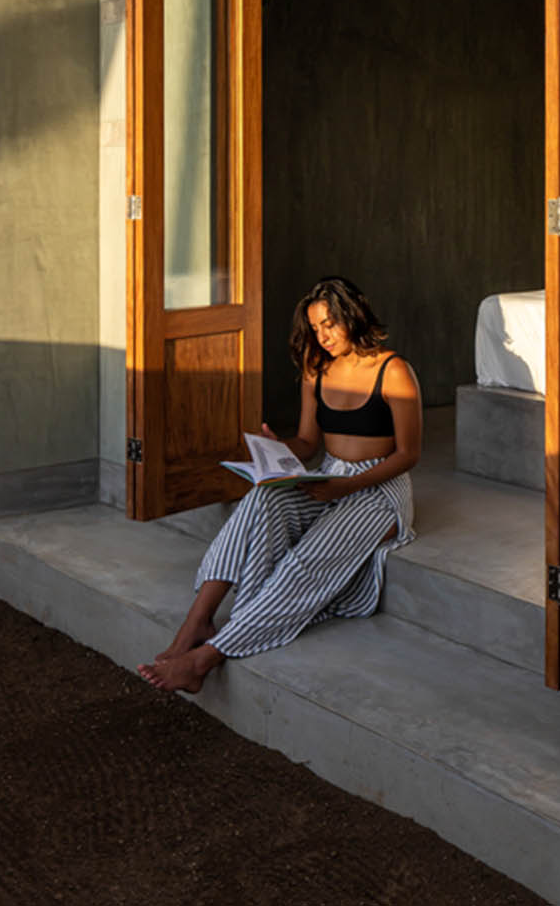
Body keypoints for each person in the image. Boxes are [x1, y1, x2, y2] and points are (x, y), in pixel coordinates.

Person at [138, 276, 421, 694]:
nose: (322, 337)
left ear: (352, 316)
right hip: (329, 476)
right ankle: (198, 618)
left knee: (304, 561)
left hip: (379, 492)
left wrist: (346, 489)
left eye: (329, 325)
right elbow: (307, 443)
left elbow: (408, 455)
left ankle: (207, 656)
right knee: (262, 497)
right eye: (315, 328)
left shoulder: (392, 371)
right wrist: (275, 450)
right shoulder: (317, 369)